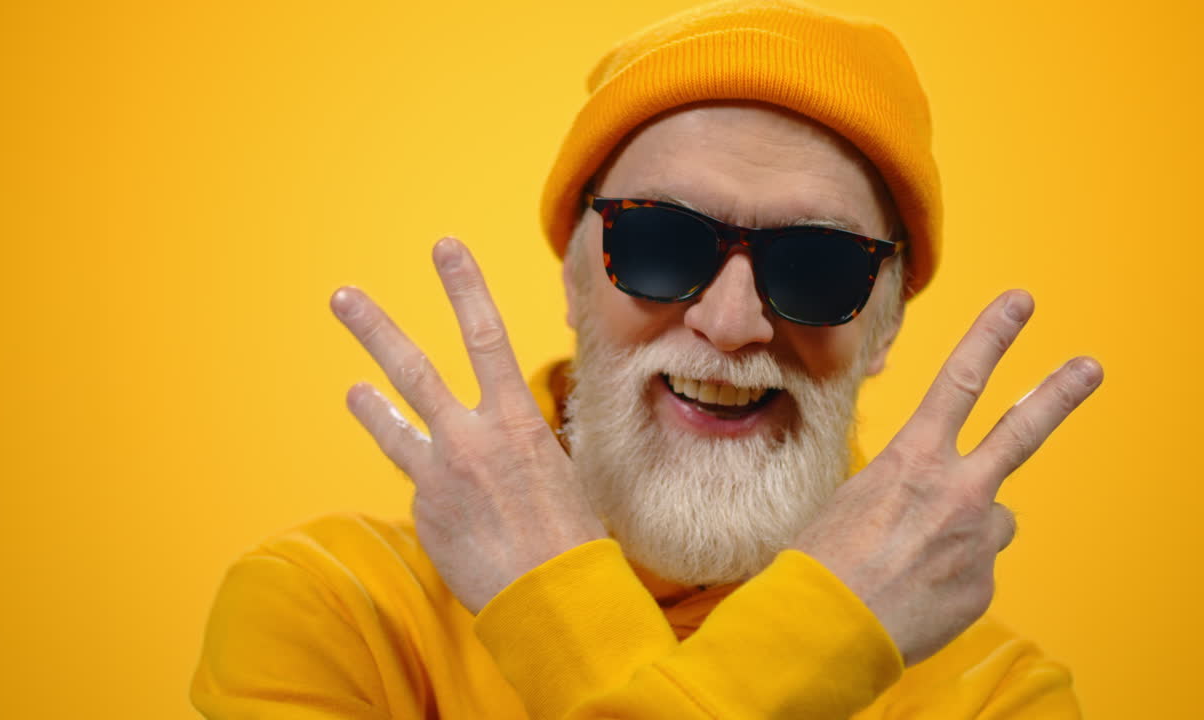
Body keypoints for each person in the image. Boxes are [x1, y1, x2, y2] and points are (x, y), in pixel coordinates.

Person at [191, 1, 1102, 717]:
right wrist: (825, 638)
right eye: (662, 242)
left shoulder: (994, 698)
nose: (732, 321)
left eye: (817, 265)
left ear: (887, 327)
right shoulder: (339, 613)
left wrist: (558, 612)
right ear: (576, 280)